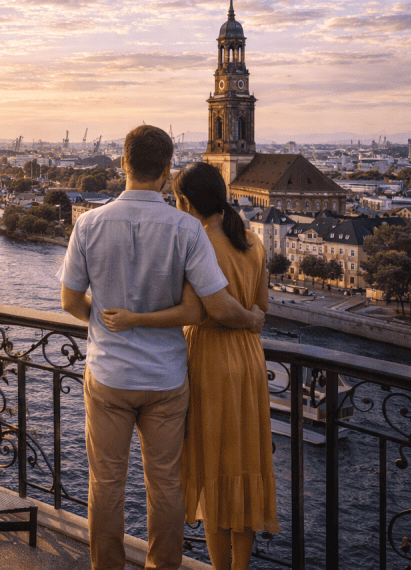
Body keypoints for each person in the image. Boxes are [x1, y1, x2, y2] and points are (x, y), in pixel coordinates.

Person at [60, 125, 264, 570]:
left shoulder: (89, 224)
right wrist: (253, 320)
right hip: (166, 378)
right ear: (167, 169)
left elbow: (70, 302)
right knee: (166, 485)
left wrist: (107, 320)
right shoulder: (187, 229)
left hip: (110, 375)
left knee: (107, 485)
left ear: (122, 164)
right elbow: (207, 309)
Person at [102, 161, 280, 570]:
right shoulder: (253, 241)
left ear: (185, 202)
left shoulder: (195, 244)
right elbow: (263, 307)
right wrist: (248, 319)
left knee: (215, 469)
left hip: (209, 360)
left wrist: (132, 318)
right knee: (246, 466)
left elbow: (195, 313)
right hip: (250, 361)